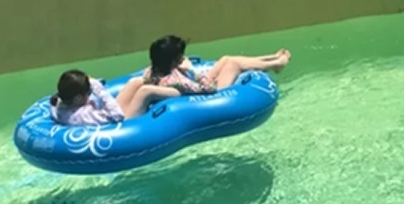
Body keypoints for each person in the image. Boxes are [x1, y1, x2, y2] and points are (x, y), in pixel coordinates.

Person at [144, 35, 291, 95]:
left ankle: (272, 59)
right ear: (173, 60)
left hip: (195, 87)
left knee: (226, 59)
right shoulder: (174, 80)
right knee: (232, 64)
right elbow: (210, 89)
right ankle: (277, 63)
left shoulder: (152, 72)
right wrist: (192, 70)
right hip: (211, 95)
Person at [50, 69, 179, 126]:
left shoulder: (60, 103)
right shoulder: (82, 116)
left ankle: (169, 78)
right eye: (88, 92)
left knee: (134, 82)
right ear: (77, 98)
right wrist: (99, 89)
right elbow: (117, 115)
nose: (90, 94)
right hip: (122, 123)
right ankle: (182, 91)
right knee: (145, 92)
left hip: (111, 116)